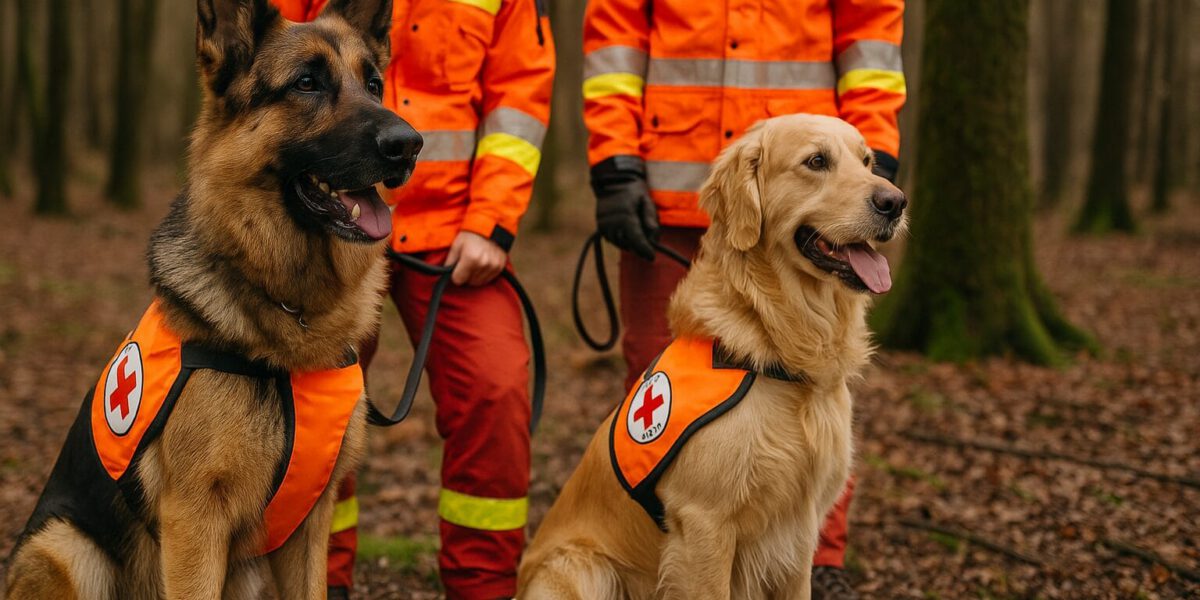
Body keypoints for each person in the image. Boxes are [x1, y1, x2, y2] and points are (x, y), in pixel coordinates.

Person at [581, 1, 905, 597]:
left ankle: (819, 562)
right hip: (666, 191)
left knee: (817, 397)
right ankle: (646, 560)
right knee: (664, 426)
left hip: (807, 180)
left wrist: (871, 164)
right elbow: (614, 43)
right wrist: (616, 164)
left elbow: (872, 47)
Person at [271, 1, 554, 598]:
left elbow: (519, 100)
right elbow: (265, 54)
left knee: (495, 387)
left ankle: (482, 586)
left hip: (455, 234)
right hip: (329, 216)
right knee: (314, 400)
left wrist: (492, 222)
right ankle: (322, 579)